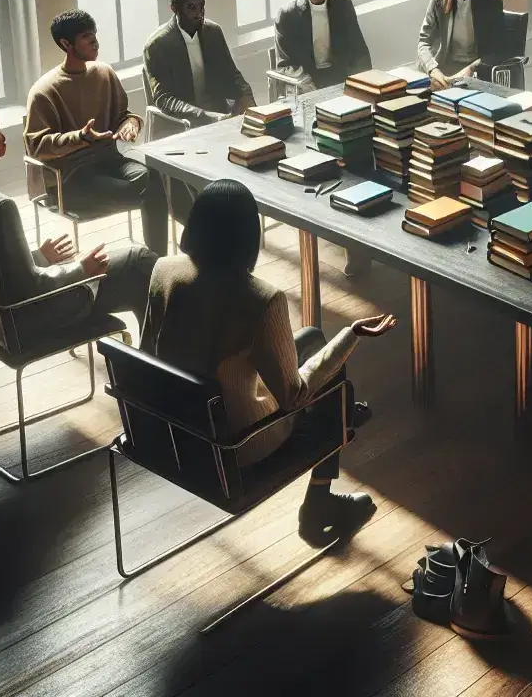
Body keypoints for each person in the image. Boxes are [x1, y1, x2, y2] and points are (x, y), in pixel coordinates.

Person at [141, 180, 398, 543]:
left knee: (310, 337)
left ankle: (343, 415)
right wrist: (351, 335)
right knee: (334, 389)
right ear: (249, 236)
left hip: (174, 429)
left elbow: (150, 352)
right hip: (236, 444)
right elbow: (294, 396)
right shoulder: (261, 299)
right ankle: (319, 504)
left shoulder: (164, 270)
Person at [0, 104, 157, 341]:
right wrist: (81, 269)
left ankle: (150, 358)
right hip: (32, 315)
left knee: (137, 280)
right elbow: (33, 286)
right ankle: (157, 360)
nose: (3, 136)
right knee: (140, 262)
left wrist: (37, 257)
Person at [25, 11, 171, 256]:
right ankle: (157, 262)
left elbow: (122, 114)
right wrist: (80, 138)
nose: (95, 41)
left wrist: (131, 123)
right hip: (70, 178)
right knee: (153, 193)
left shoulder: (104, 73)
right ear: (66, 44)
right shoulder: (44, 91)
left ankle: (157, 260)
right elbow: (37, 147)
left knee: (157, 179)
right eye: (86, 37)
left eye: (94, 34)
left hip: (110, 162)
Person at [141, 0, 255, 129]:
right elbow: (164, 99)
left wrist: (245, 95)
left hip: (220, 114)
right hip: (182, 122)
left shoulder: (213, 32)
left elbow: (231, 73)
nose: (199, 13)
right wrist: (205, 116)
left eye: (201, 7)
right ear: (175, 9)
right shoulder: (157, 45)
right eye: (191, 7)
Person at [273, 0, 373, 91]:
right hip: (307, 82)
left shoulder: (343, 5)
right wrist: (304, 84)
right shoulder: (287, 15)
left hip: (340, 78)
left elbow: (359, 51)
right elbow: (284, 66)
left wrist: (365, 83)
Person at [416, 0, 509, 88]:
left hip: (476, 70)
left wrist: (472, 68)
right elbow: (424, 41)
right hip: (443, 67)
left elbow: (499, 48)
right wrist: (432, 69)